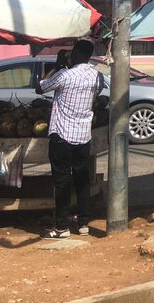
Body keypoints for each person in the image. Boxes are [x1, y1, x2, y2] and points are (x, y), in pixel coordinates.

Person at [36, 38, 104, 239]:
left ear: (78, 54)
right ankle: (84, 224)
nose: (71, 55)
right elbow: (95, 96)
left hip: (62, 135)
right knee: (82, 180)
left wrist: (57, 65)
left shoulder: (65, 75)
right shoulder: (97, 76)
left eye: (73, 52)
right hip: (83, 135)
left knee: (62, 182)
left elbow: (40, 87)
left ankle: (62, 227)